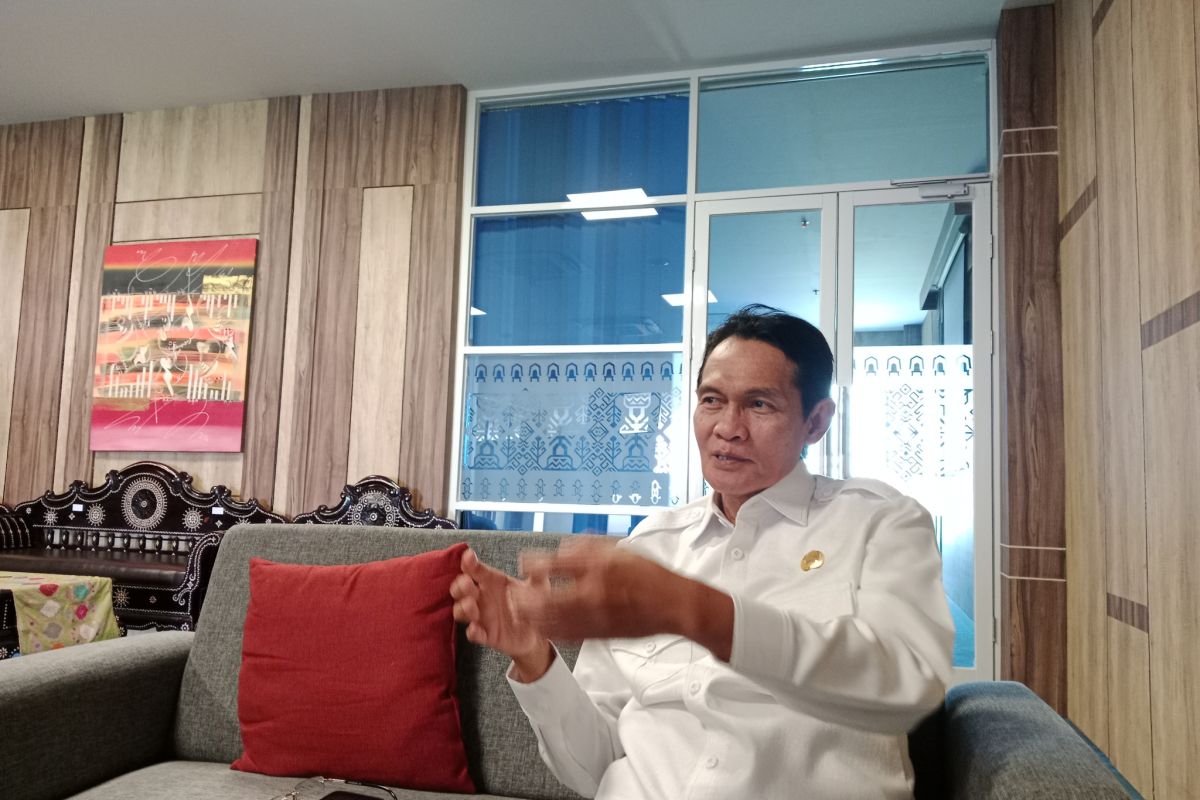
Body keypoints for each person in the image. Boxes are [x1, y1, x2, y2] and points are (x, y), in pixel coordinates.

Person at [450, 304, 954, 799]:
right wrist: (534, 656)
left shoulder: (878, 522)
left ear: (816, 421)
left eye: (760, 405)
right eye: (711, 400)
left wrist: (695, 611)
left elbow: (906, 687)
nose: (728, 428)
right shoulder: (650, 544)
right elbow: (594, 765)